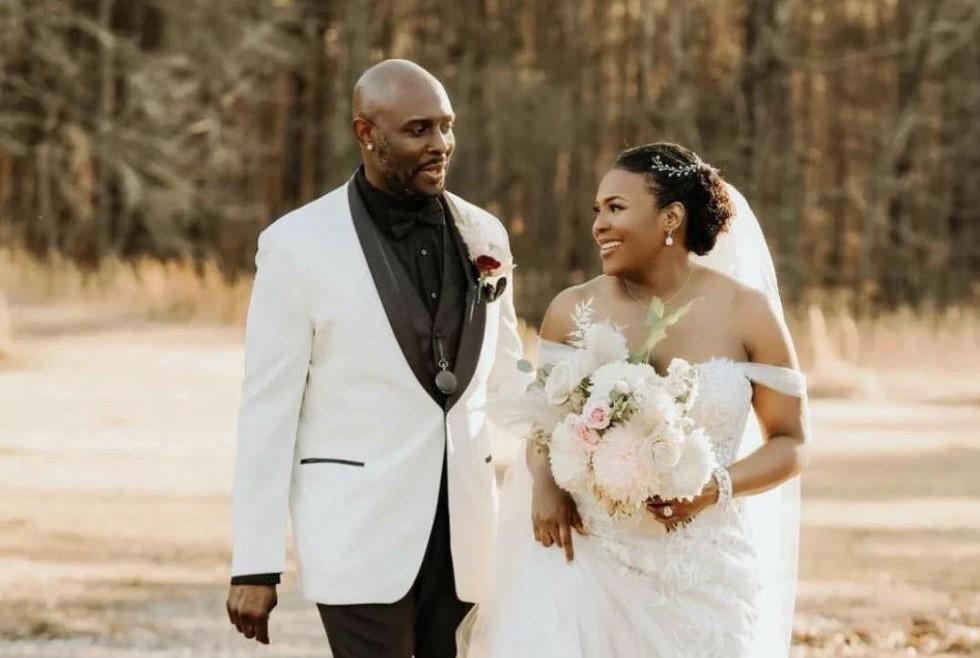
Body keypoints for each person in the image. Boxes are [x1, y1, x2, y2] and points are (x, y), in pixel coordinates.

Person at [460, 142, 810, 658]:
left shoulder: (747, 313)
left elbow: (791, 442)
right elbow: (544, 425)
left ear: (671, 218)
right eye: (596, 210)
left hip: (700, 572)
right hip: (583, 560)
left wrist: (715, 487)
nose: (599, 225)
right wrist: (545, 482)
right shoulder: (571, 309)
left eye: (616, 208)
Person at [225, 59, 526, 658]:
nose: (441, 144)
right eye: (419, 130)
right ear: (367, 133)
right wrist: (255, 563)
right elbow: (267, 412)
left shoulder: (485, 232)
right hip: (356, 530)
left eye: (446, 126)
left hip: (465, 533)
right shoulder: (296, 245)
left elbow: (508, 373)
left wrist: (586, 433)